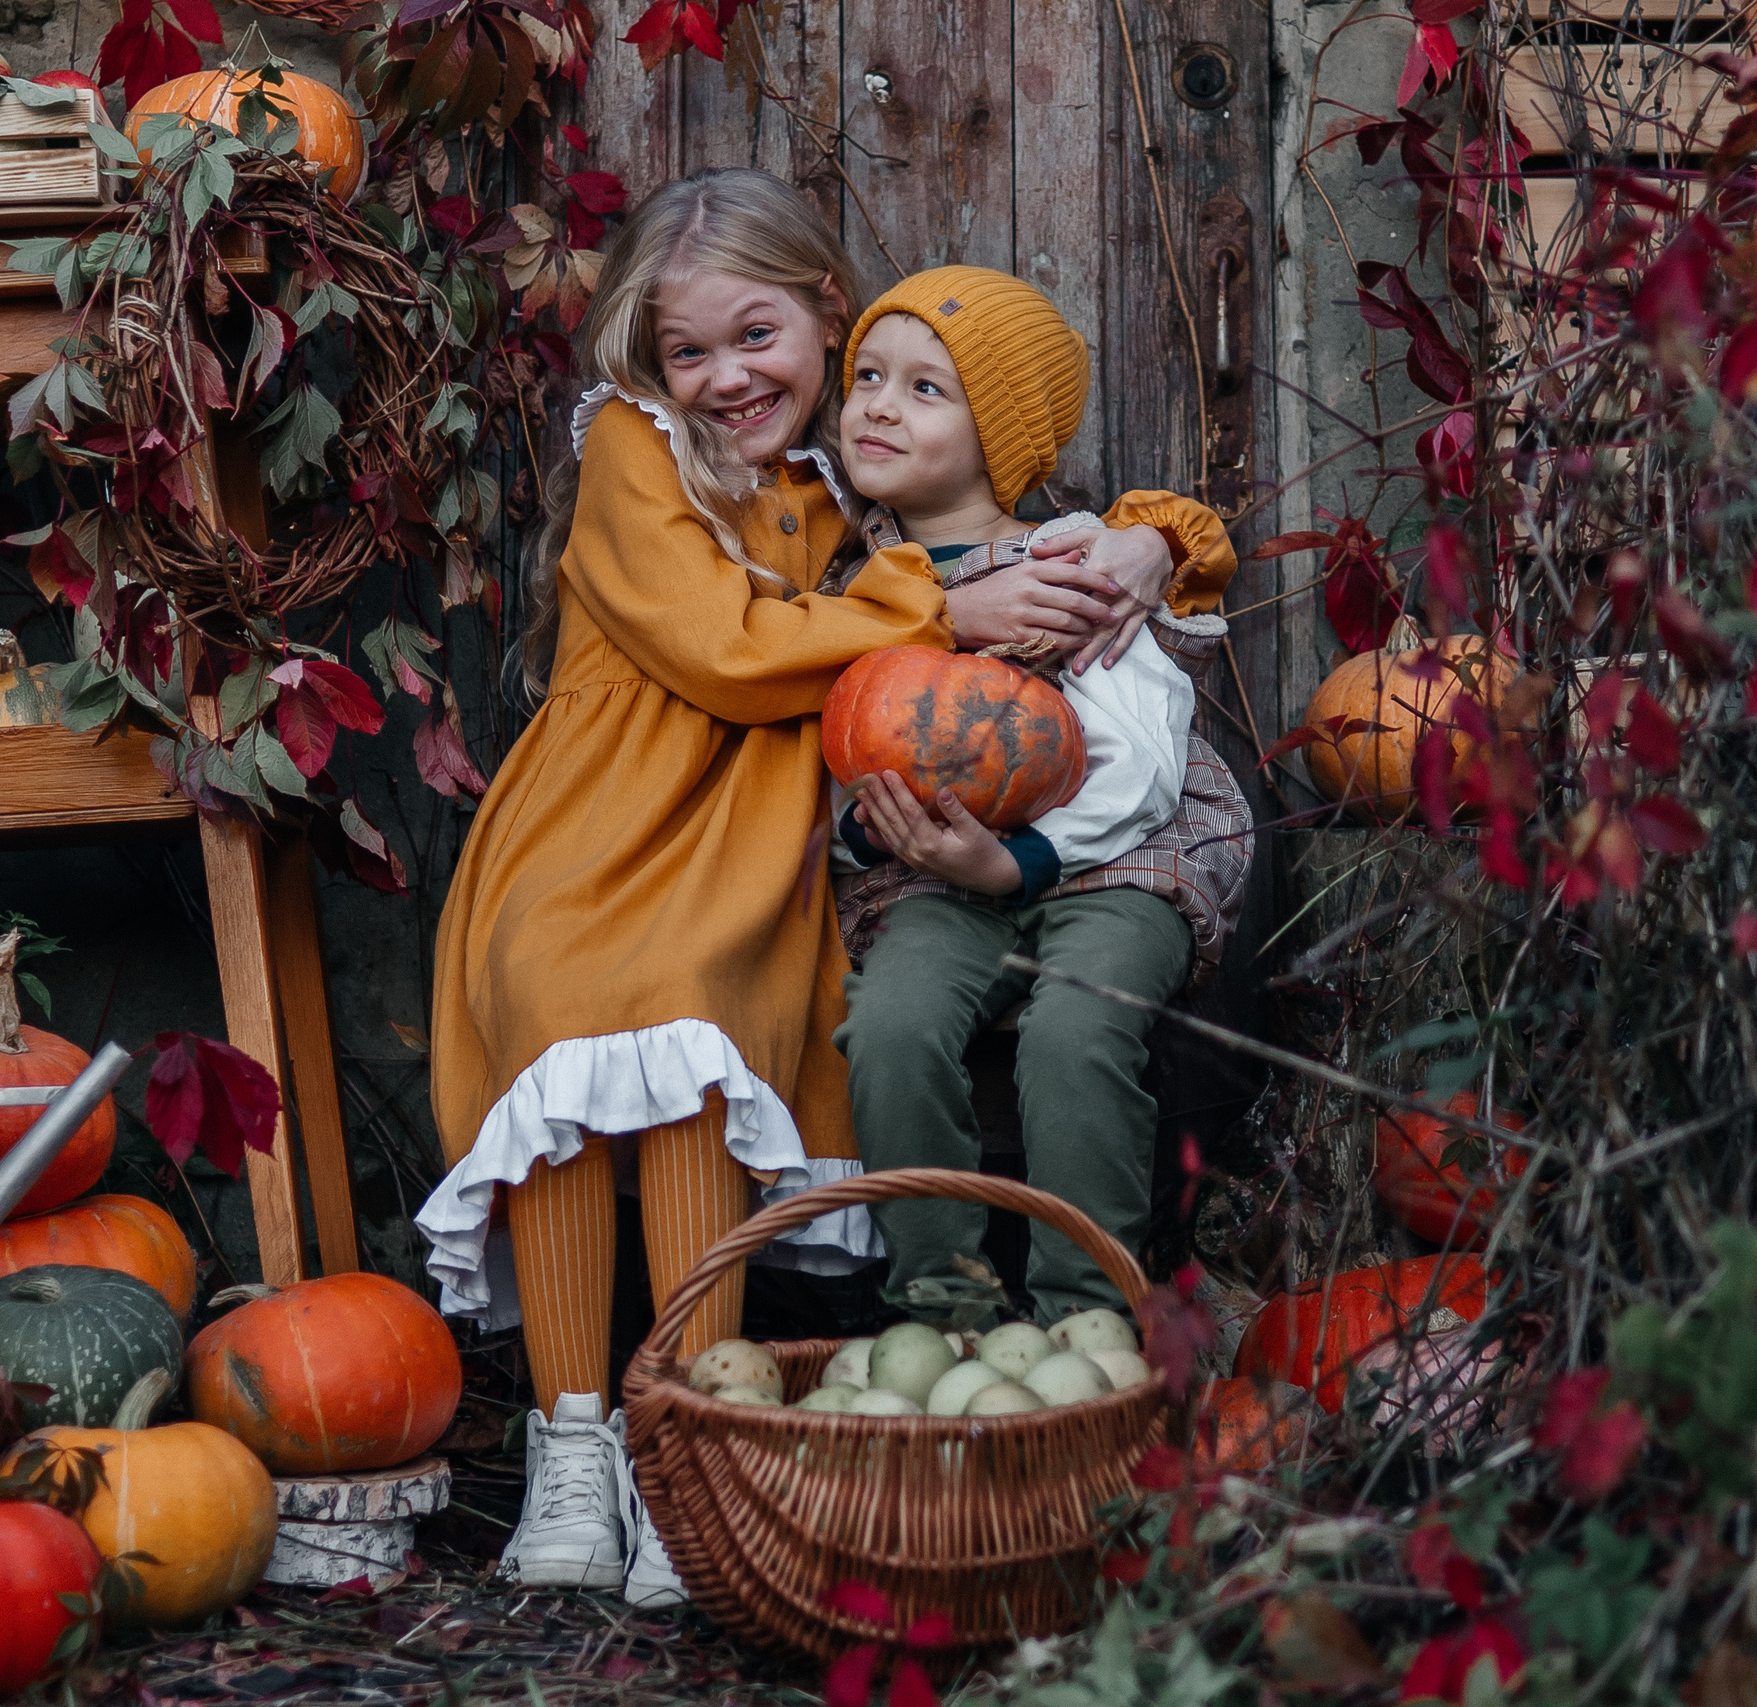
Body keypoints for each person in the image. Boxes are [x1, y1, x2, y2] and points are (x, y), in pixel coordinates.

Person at [411, 175, 1233, 1602]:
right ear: (649, 367)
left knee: (697, 1043)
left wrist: (1156, 538)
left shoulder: (849, 460)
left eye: (760, 336)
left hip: (746, 831)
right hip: (603, 816)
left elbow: (1035, 473)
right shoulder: (635, 447)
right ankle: (573, 1434)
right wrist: (942, 608)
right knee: (567, 1020)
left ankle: (689, 1429)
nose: (730, 376)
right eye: (692, 352)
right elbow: (726, 647)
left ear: (827, 328)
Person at [827, 266, 1254, 1328]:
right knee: (889, 1024)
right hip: (934, 878)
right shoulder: (848, 587)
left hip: (1114, 866)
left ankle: (1086, 1318)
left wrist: (1023, 863)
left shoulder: (1070, 563)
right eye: (868, 375)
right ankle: (943, 1313)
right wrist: (862, 832)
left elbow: (1142, 756)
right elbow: (832, 753)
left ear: (1002, 436)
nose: (879, 403)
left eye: (928, 389)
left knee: (1076, 1028)